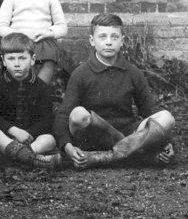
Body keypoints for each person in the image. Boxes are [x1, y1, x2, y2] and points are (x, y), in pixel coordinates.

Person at [55, 13, 176, 169]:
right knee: (77, 114)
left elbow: (149, 111)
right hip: (94, 135)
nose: (108, 42)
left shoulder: (132, 72)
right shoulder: (81, 73)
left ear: (122, 41)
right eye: (102, 37)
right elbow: (64, 114)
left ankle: (106, 158)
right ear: (92, 41)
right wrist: (67, 147)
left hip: (127, 133)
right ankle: (136, 156)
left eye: (114, 37)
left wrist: (167, 142)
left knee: (167, 117)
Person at [0, 33, 61, 170]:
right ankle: (33, 159)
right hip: (7, 136)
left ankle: (17, 157)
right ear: (3, 60)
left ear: (32, 59)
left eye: (22, 58)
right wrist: (14, 131)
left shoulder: (42, 87)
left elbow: (46, 119)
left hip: (32, 137)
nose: (17, 64)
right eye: (11, 59)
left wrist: (29, 133)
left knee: (49, 139)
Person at [0, 0, 68, 84]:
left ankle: (40, 90)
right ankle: (21, 88)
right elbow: (1, 28)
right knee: (18, 56)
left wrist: (48, 33)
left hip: (42, 40)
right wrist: (19, 34)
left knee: (49, 55)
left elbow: (62, 27)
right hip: (18, 41)